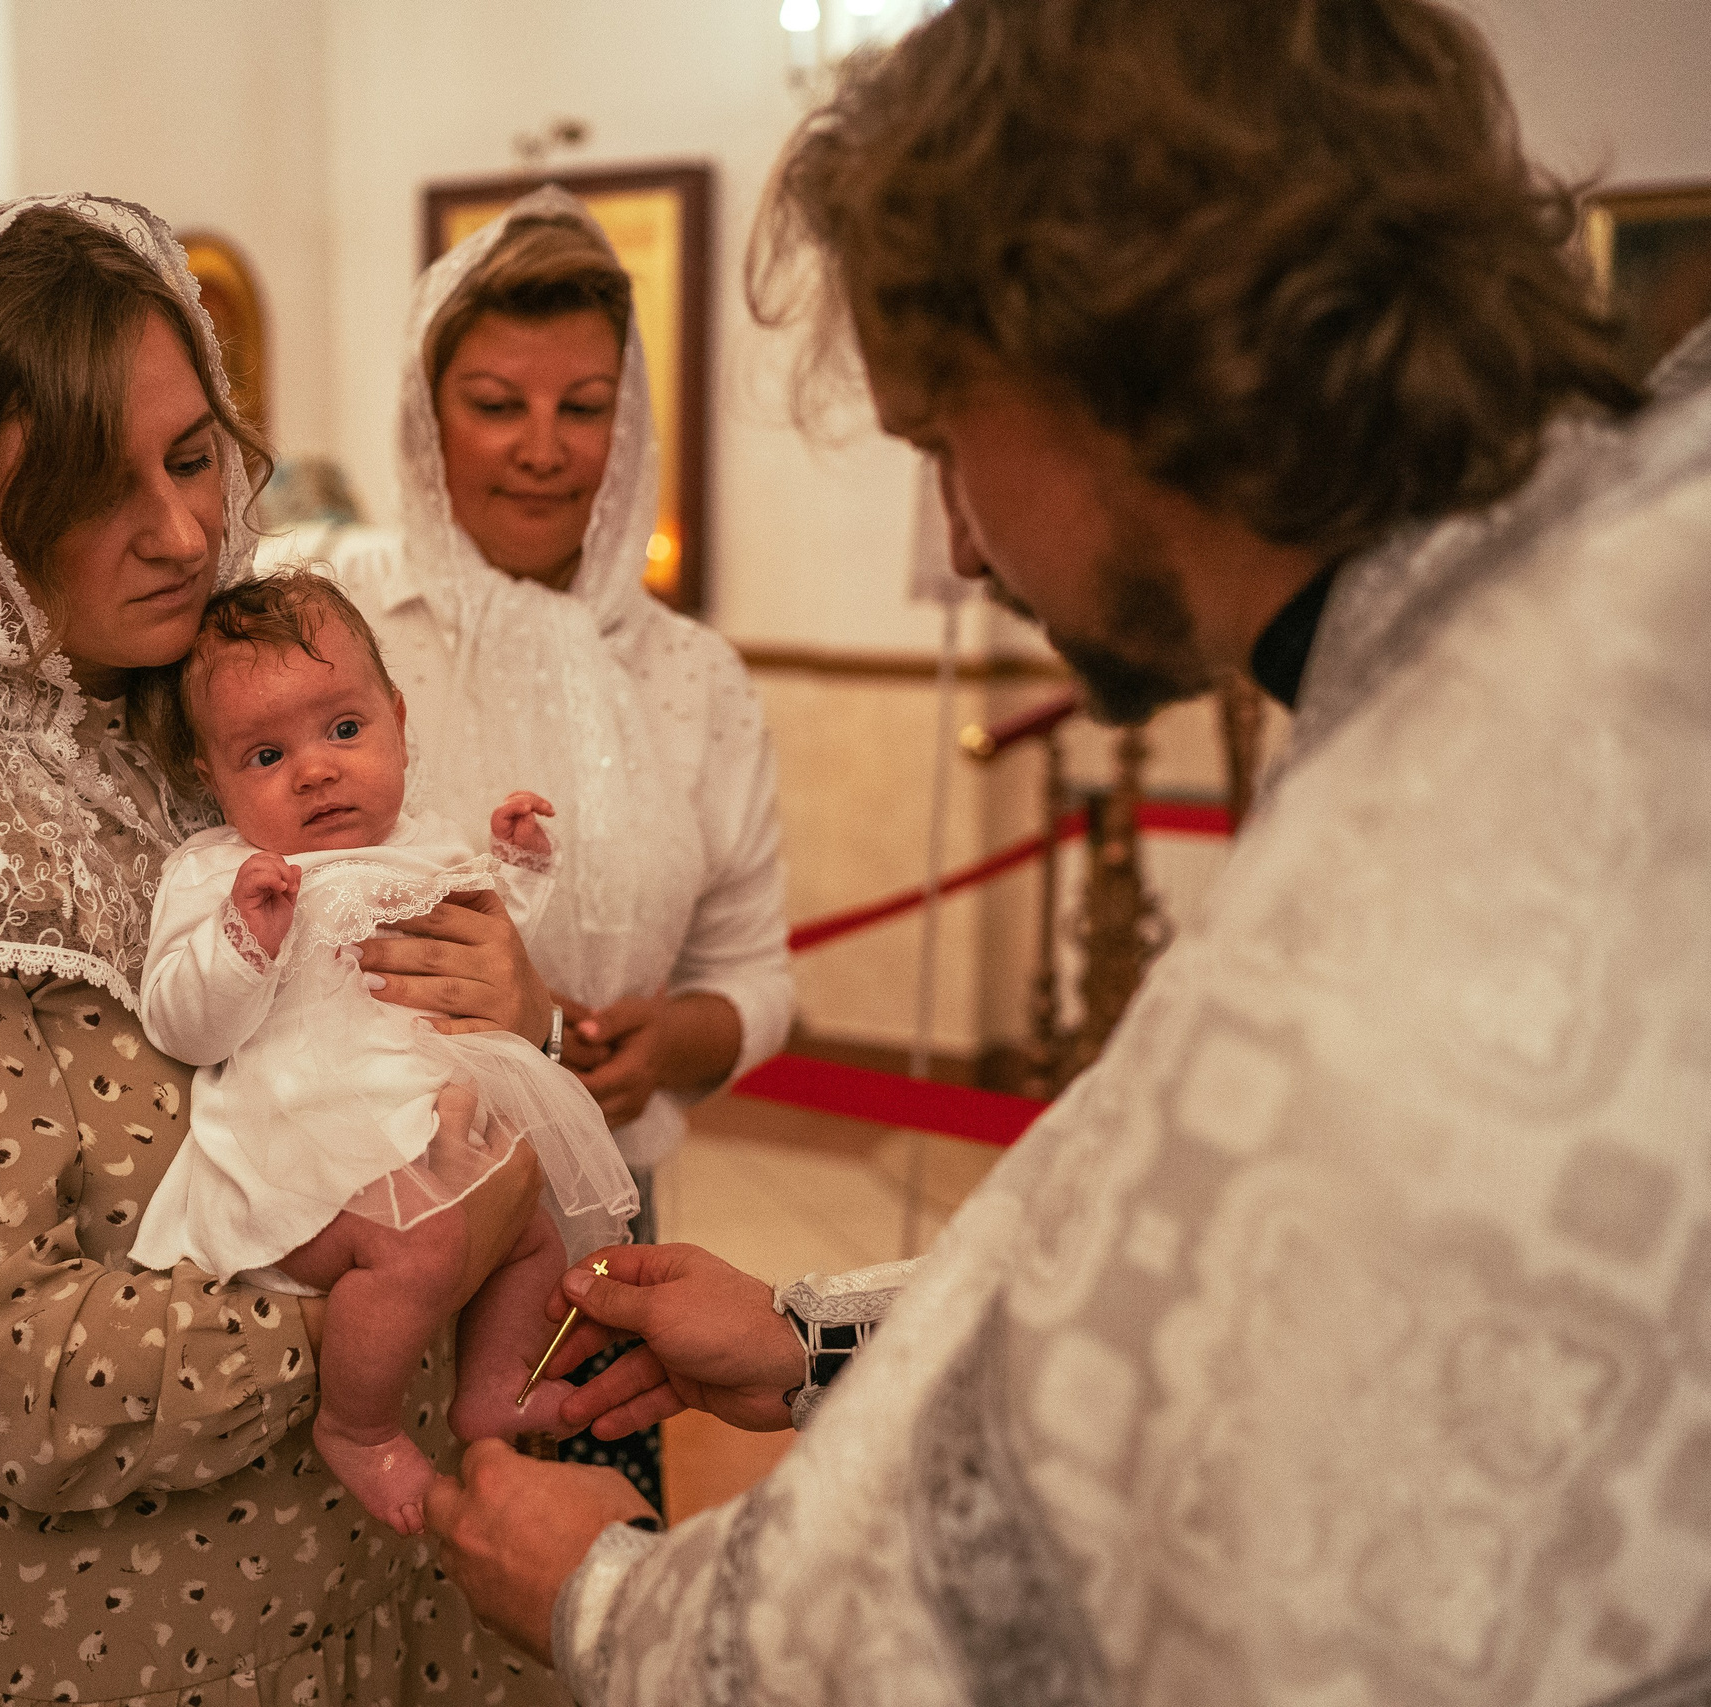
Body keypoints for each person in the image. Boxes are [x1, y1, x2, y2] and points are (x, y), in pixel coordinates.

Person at [421, 3, 1711, 1702]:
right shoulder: (1573, 606)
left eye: (946, 438)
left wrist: (602, 1596)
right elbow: (1137, 1277)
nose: (958, 540)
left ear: (1127, 365)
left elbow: (993, 1598)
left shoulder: (1426, 878)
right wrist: (816, 1332)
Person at [0, 196, 580, 1707]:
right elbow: (11, 1362)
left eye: (194, 452)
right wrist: (418, 1269)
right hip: (128, 1644)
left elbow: (424, 1037)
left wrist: (512, 1026)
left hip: (378, 1590)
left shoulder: (219, 710)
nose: (180, 530)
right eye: (96, 488)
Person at [317, 191, 796, 1510]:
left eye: (582, 406)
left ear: (629, 421)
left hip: (589, 1228)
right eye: (495, 403)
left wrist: (670, 1042)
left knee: (554, 1602)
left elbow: (755, 973)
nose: (542, 450)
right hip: (343, 1224)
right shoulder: (332, 616)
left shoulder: (692, 676)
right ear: (427, 415)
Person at [126, 570, 638, 1535]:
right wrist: (243, 943)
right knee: (423, 1244)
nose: (315, 770)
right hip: (309, 1152)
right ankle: (357, 1427)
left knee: (527, 1215)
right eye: (267, 753)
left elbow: (489, 937)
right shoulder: (217, 874)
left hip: (431, 1122)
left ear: (399, 721)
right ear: (211, 776)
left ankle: (490, 1389)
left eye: (345, 730)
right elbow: (179, 1022)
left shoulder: (422, 842)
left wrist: (517, 860)